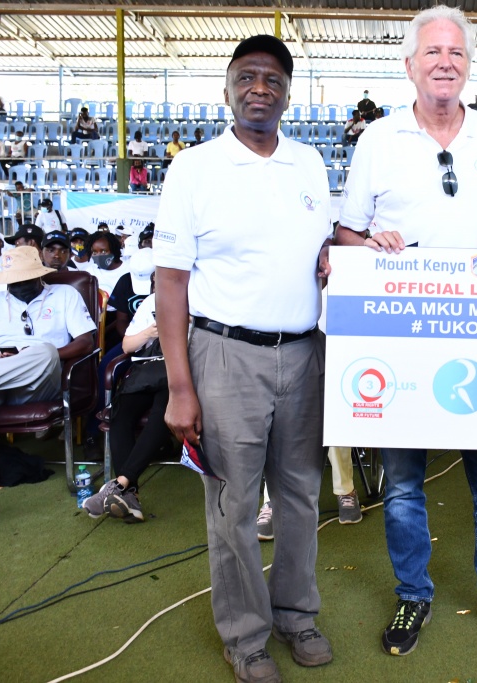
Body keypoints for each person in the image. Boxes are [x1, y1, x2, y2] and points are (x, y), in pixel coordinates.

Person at [335, 5, 477, 658]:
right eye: (432, 52)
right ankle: (413, 594)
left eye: (455, 52)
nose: (445, 62)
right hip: (404, 344)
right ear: (410, 65)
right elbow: (346, 236)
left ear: (468, 64)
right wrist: (369, 243)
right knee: (402, 485)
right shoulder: (378, 140)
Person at [154, 34, 334, 682]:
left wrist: (335, 253)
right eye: (247, 77)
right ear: (227, 89)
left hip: (303, 353)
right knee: (233, 505)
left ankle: (296, 614)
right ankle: (246, 637)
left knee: (300, 495)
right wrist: (180, 387)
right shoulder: (194, 168)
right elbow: (170, 282)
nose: (260, 89)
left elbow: (321, 249)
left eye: (273, 80)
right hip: (225, 355)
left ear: (288, 94)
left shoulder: (310, 164)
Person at [0, 246, 96, 537]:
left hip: (40, 379)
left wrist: (32, 356)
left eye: (24, 279)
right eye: (13, 281)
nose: (18, 285)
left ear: (38, 276)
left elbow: (86, 342)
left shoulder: (65, 295)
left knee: (44, 351)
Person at [83, 282, 171, 524]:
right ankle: (129, 494)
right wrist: (150, 332)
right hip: (147, 370)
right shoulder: (150, 303)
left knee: (163, 413)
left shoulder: (199, 301)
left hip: (179, 371)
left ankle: (120, 484)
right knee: (120, 414)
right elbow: (127, 346)